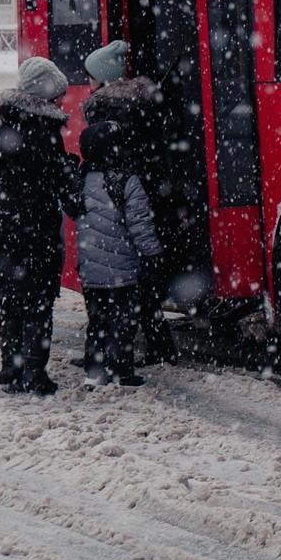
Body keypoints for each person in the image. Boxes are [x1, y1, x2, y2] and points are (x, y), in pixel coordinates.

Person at [0, 56, 83, 396]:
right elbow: (61, 185)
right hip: (37, 234)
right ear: (45, 97)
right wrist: (71, 171)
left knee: (13, 303)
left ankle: (11, 370)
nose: (62, 102)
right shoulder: (45, 135)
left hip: (4, 234)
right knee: (38, 304)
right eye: (58, 96)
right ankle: (35, 373)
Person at [83, 39, 180, 366]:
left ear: (103, 79)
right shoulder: (143, 103)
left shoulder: (103, 109)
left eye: (91, 78)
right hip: (147, 193)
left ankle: (112, 355)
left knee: (116, 284)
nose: (88, 85)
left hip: (118, 200)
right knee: (143, 281)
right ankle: (159, 346)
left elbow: (100, 156)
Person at [75, 119, 163, 386]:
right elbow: (140, 225)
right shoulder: (127, 181)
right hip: (122, 270)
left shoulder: (81, 179)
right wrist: (152, 254)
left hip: (91, 269)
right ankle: (122, 370)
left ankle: (95, 369)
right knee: (123, 322)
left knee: (97, 321)